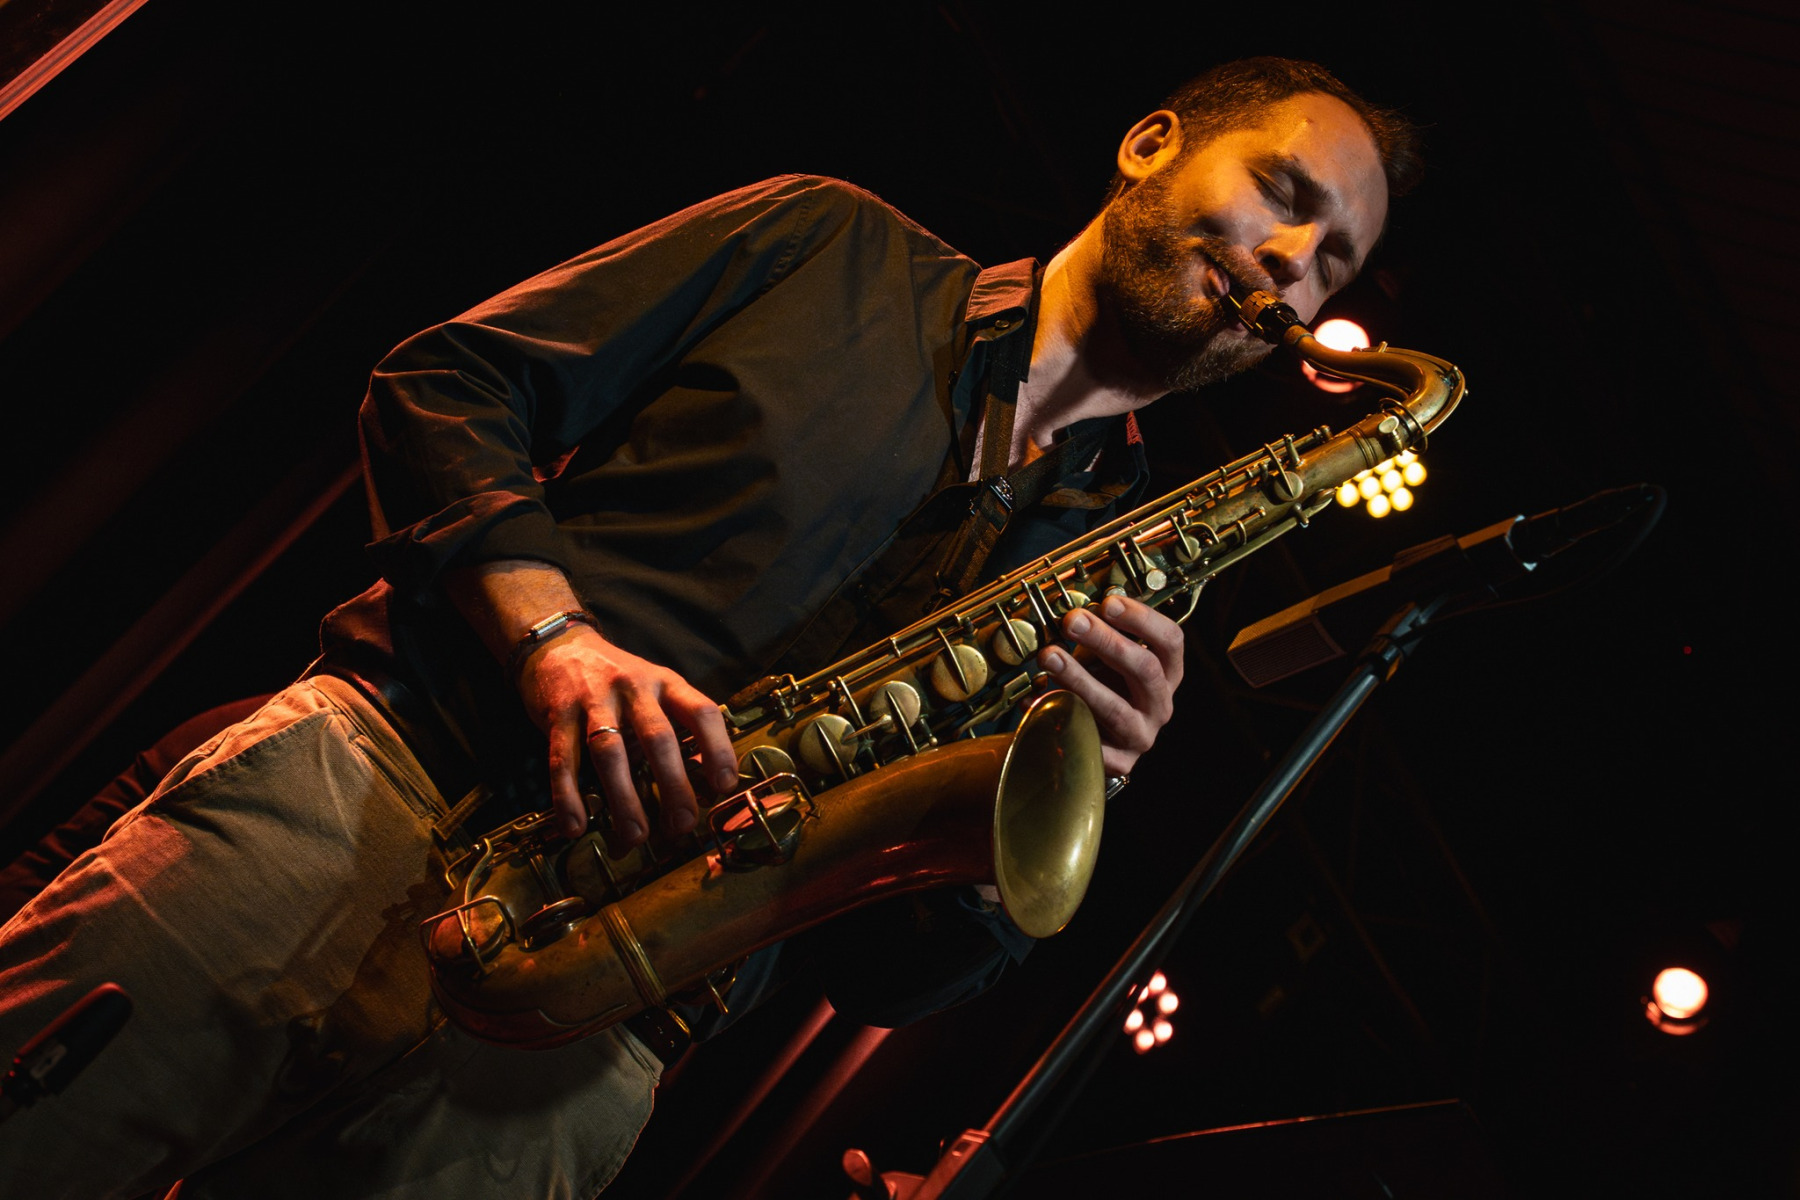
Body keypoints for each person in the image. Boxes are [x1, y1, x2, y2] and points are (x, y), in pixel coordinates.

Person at [0, 57, 1417, 1198]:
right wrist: (554, 639)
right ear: (1153, 144)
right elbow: (445, 387)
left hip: (582, 1053)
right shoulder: (830, 239)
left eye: (1332, 263)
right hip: (362, 806)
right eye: (1282, 192)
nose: (1292, 261)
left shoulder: (1137, 581)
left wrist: (1051, 814)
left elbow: (883, 974)